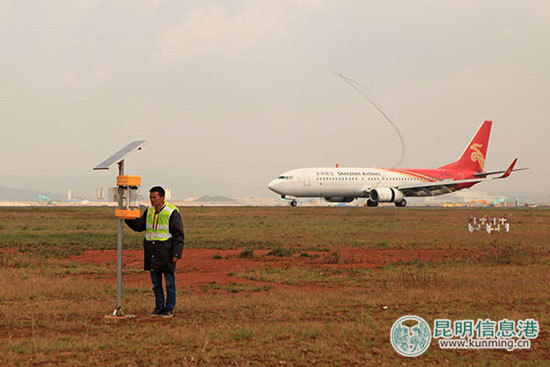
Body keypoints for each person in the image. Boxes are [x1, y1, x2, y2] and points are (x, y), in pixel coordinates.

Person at [125, 186, 184, 318]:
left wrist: (176, 254)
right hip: (152, 251)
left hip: (166, 252)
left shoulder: (171, 212)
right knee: (156, 283)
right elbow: (140, 226)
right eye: (150, 197)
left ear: (162, 198)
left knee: (169, 283)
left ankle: (169, 309)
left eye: (154, 197)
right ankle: (159, 307)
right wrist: (127, 218)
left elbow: (178, 235)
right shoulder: (149, 211)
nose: (151, 200)